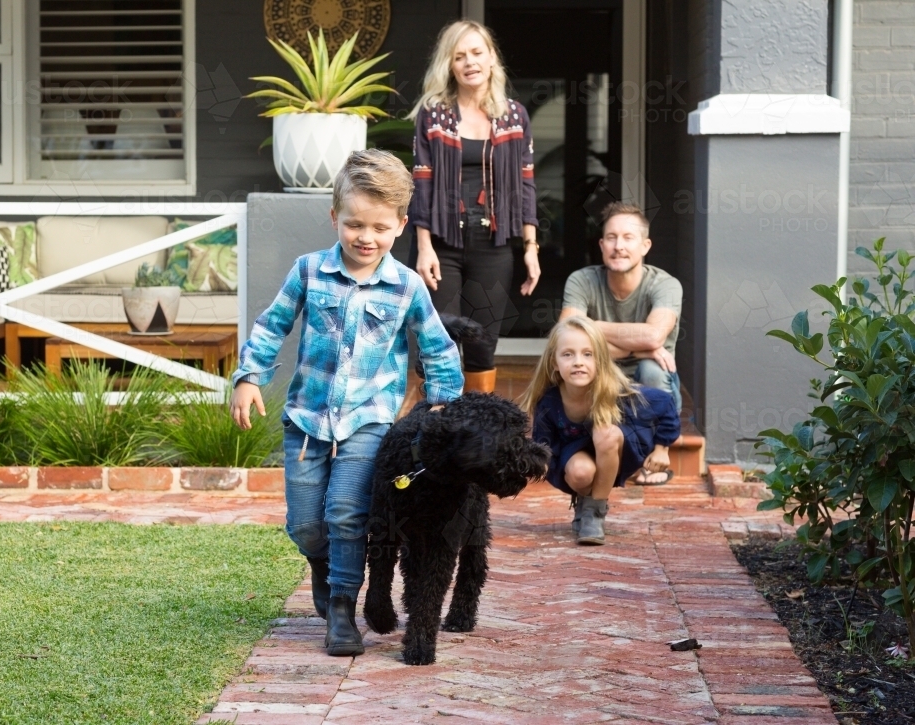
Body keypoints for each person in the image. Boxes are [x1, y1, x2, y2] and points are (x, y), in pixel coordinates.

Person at [229, 149, 463, 657]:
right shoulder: (309, 271)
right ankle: (324, 564)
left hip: (369, 420)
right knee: (307, 525)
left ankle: (341, 611)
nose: (365, 237)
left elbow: (440, 349)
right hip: (306, 419)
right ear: (335, 217)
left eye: (379, 227)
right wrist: (249, 377)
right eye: (354, 223)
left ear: (400, 225)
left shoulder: (407, 287)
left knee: (346, 514)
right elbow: (272, 326)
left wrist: (444, 407)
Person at [405, 19, 540, 400]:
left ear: (492, 58)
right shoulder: (434, 114)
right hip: (441, 240)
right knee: (437, 338)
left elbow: (527, 183)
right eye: (459, 56)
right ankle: (429, 429)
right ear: (449, 65)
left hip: (493, 242)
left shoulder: (514, 116)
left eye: (477, 52)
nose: (469, 62)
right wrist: (424, 246)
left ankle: (479, 436)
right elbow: (422, 180)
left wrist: (531, 247)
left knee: (482, 343)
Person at [522, 317, 680, 545]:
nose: (578, 362)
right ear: (554, 362)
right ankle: (585, 504)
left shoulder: (618, 393)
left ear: (601, 360)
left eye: (588, 354)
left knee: (606, 433)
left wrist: (662, 449)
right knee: (580, 472)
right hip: (575, 456)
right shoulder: (549, 401)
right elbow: (543, 444)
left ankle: (595, 514)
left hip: (616, 451)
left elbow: (665, 403)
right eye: (568, 354)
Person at [559, 201, 683, 484]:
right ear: (601, 244)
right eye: (612, 238)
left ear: (645, 245)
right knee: (576, 369)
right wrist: (636, 345)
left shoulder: (665, 284)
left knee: (652, 369)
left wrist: (589, 329)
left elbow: (654, 336)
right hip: (601, 379)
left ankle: (659, 453)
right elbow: (566, 332)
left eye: (629, 238)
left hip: (651, 386)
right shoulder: (582, 280)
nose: (619, 246)